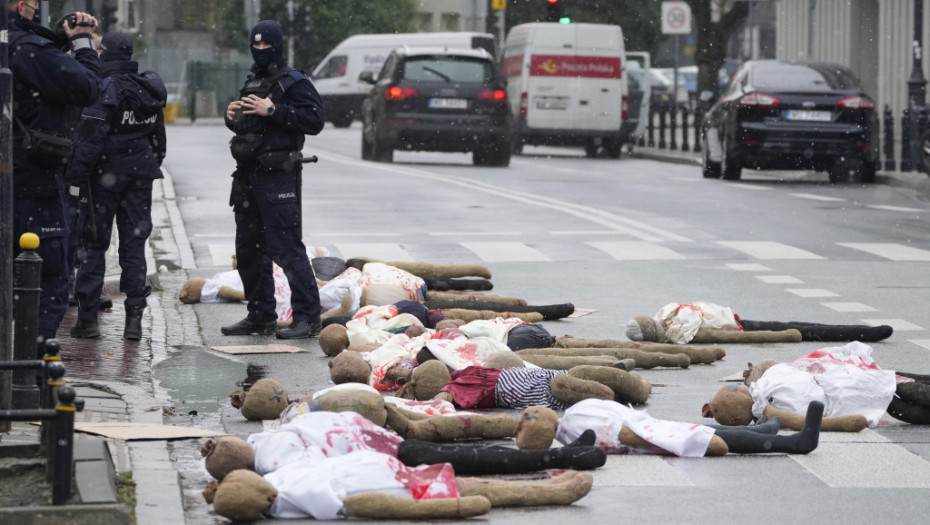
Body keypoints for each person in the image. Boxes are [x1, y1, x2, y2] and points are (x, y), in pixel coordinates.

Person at [222, 20, 325, 339]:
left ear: (278, 47)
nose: (261, 50)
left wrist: (275, 111)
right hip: (248, 176)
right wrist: (232, 116)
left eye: (267, 46)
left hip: (278, 177)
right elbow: (250, 130)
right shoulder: (253, 79)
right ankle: (260, 315)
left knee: (286, 248)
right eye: (256, 45)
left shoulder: (294, 82)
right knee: (249, 250)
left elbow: (315, 120)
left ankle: (308, 318)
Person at [7, 1, 100, 348]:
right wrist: (83, 44)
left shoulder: (19, 46)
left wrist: (58, 36)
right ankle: (31, 378)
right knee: (48, 281)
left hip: (14, 180)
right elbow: (87, 87)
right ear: (20, 5)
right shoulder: (25, 49)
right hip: (32, 184)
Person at [67, 31, 167, 340]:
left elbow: (90, 142)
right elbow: (159, 140)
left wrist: (75, 179)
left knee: (94, 246)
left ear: (105, 54)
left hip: (104, 179)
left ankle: (87, 320)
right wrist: (146, 164)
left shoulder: (103, 89)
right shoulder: (147, 89)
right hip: (140, 176)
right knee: (134, 247)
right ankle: (133, 320)